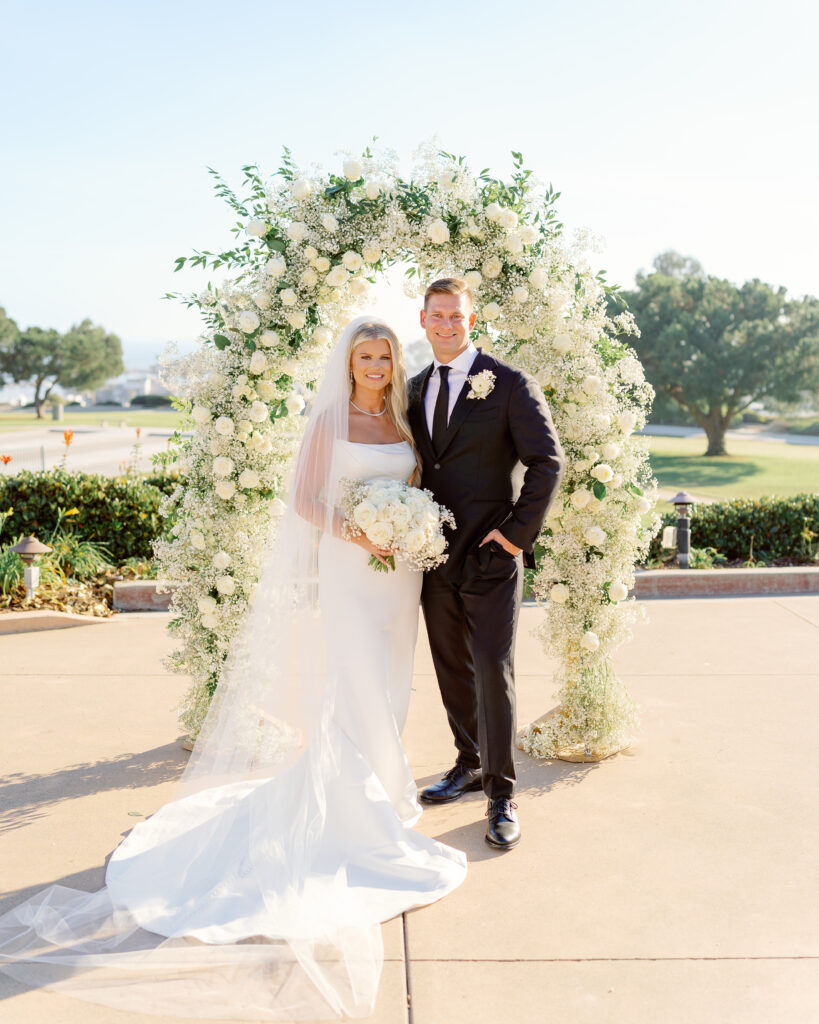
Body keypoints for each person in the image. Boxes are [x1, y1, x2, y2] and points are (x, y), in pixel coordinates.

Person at [0, 317, 466, 1021]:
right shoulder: (328, 422)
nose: (375, 365)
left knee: (393, 685)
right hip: (350, 571)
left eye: (384, 356)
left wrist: (408, 528)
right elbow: (304, 499)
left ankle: (378, 793)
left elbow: (419, 488)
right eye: (365, 356)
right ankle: (359, 814)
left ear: (394, 362)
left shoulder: (403, 421)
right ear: (348, 363)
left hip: (399, 577)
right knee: (358, 686)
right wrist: (361, 532)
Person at [408, 278, 565, 850]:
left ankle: (501, 793)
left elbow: (547, 462)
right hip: (432, 557)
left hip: (492, 557)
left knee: (493, 672)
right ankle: (469, 762)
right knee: (451, 667)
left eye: (457, 316)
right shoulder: (413, 388)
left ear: (471, 321)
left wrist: (515, 537)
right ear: (423, 320)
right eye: (438, 315)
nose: (447, 325)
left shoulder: (509, 383)